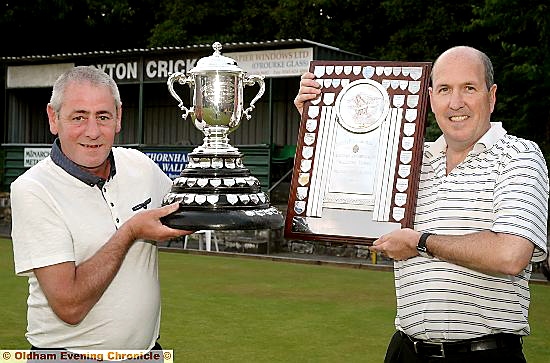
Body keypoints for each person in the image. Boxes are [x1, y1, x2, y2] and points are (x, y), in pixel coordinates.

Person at [294, 46, 549, 362]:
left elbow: (510, 254)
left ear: (491, 96)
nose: (456, 102)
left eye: (469, 88)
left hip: (485, 354)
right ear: (429, 99)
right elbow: (340, 191)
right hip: (405, 351)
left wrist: (422, 243)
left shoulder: (519, 156)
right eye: (444, 89)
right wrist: (321, 120)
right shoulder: (408, 160)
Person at [10, 66, 192, 357]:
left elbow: (193, 210)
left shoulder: (139, 165)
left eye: (103, 116)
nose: (92, 132)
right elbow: (70, 307)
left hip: (148, 352)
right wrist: (131, 231)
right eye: (79, 117)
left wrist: (296, 128)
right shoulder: (33, 188)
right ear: (53, 118)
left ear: (119, 117)